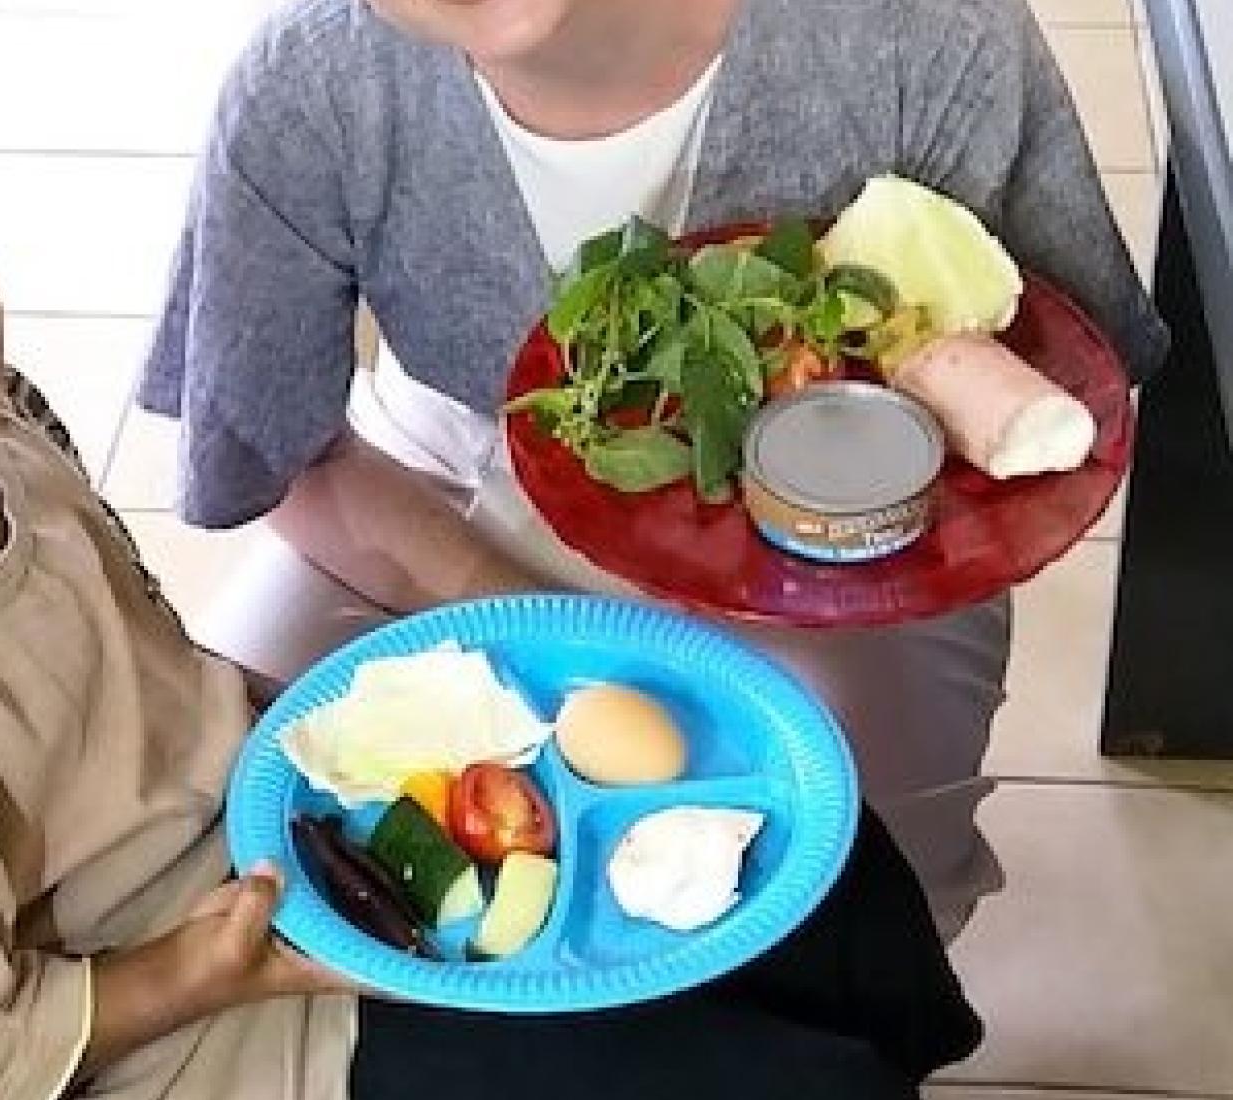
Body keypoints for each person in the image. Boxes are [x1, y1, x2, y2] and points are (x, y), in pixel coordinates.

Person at [0, 1, 986, 1096]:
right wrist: (200, 974)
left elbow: (121, 677)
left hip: (274, 853)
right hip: (202, 1043)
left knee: (821, 863)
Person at [138, 0, 1170, 941]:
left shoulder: (928, 34)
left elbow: (1066, 396)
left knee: (851, 891)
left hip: (847, 525)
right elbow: (281, 451)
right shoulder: (314, 82)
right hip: (438, 472)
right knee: (225, 809)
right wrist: (552, 627)